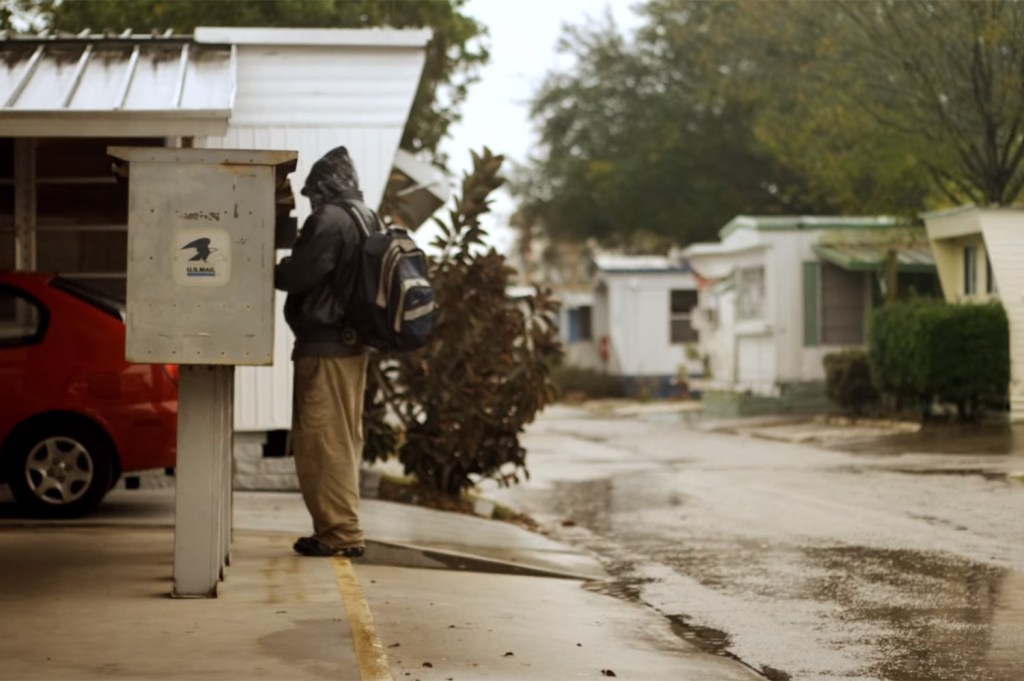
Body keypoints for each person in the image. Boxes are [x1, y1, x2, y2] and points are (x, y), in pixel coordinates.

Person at [274, 146, 368, 558]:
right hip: (351, 345)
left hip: (326, 346)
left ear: (325, 188)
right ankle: (338, 528)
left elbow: (300, 274)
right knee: (342, 439)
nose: (311, 202)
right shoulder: (365, 215)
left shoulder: (330, 219)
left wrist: (253, 261)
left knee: (322, 440)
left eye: (313, 194)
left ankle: (341, 534)